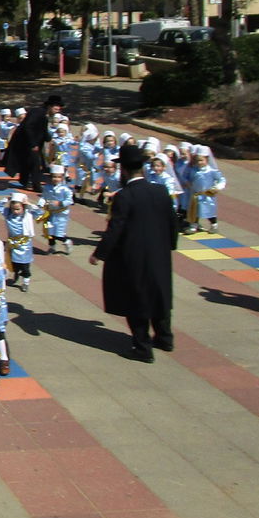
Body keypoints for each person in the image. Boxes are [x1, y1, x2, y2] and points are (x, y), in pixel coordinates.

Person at [89, 145, 178, 362]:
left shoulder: (125, 196)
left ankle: (142, 347)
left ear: (124, 171)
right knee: (158, 293)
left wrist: (100, 254)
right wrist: (170, 245)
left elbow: (115, 228)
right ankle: (165, 337)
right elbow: (172, 221)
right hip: (159, 254)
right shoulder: (160, 191)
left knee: (135, 298)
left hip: (132, 257)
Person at [3, 94, 63, 193]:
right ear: (50, 106)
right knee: (36, 164)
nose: (58, 109)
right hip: (26, 142)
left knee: (28, 162)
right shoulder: (38, 113)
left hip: (29, 143)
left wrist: (49, 138)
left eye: (59, 107)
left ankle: (24, 180)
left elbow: (42, 129)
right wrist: (33, 144)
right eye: (56, 106)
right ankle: (37, 186)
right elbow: (28, 127)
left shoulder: (43, 114)